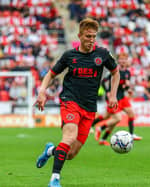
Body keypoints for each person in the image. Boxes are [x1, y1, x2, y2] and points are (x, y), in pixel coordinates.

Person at [35, 18, 120, 187]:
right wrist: (42, 92)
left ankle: (50, 151)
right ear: (80, 36)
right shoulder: (69, 56)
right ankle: (54, 179)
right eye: (88, 36)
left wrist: (113, 95)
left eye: (94, 36)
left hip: (89, 108)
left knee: (71, 153)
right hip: (70, 101)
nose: (91, 40)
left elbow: (115, 72)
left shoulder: (102, 54)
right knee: (69, 136)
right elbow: (51, 74)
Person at [91, 53, 142, 146]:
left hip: (122, 97)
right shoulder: (113, 70)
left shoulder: (127, 73)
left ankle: (130, 134)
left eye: (125, 59)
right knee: (117, 118)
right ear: (118, 60)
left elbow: (124, 86)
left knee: (129, 114)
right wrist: (107, 91)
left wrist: (128, 89)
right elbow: (103, 82)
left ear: (127, 61)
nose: (123, 61)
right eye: (121, 59)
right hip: (113, 98)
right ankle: (100, 128)